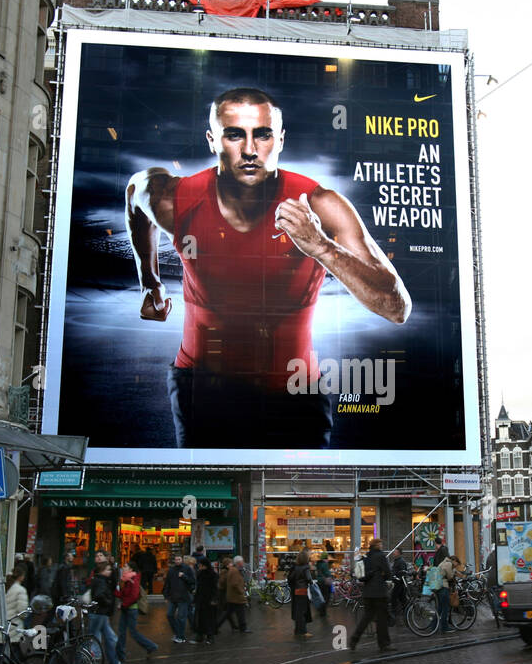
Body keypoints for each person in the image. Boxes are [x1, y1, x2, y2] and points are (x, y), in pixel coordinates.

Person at [127, 87, 412, 448]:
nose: (249, 150)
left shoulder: (320, 205)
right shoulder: (175, 200)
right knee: (212, 502)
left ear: (280, 139)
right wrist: (149, 283)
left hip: (295, 396)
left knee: (301, 505)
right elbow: (135, 190)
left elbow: (396, 307)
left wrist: (320, 246)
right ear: (212, 139)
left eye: (262, 134)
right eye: (235, 134)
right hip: (202, 390)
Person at [349, 539, 394, 653]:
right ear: (378, 545)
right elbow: (388, 573)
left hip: (367, 592)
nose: (382, 545)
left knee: (366, 617)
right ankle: (384, 644)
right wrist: (383, 576)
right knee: (381, 619)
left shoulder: (367, 557)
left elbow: (364, 574)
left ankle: (354, 639)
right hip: (379, 592)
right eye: (381, 543)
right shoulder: (380, 556)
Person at [115, 560, 157, 660]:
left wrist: (124, 604)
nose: (123, 568)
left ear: (131, 569)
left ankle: (151, 646)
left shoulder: (133, 579)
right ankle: (120, 654)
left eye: (125, 566)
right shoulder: (126, 579)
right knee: (122, 631)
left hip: (131, 609)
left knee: (132, 632)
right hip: (127, 608)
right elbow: (124, 594)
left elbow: (134, 596)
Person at [86, 554, 122, 664]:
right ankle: (89, 656)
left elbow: (114, 580)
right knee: (96, 636)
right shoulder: (101, 581)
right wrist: (108, 602)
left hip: (101, 613)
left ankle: (113, 660)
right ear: (102, 570)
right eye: (108, 570)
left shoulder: (102, 579)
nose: (110, 571)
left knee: (108, 636)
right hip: (100, 612)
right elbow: (99, 595)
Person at [162, 555, 195, 644]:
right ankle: (177, 633)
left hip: (183, 597)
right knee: (169, 615)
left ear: (182, 560)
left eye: (179, 559)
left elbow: (192, 581)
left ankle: (181, 636)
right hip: (173, 597)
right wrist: (166, 595)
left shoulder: (187, 569)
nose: (177, 561)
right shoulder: (171, 570)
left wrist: (184, 576)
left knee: (181, 617)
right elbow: (167, 583)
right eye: (176, 559)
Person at [215, 556, 251, 633]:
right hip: (236, 596)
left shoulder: (233, 570)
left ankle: (216, 626)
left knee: (228, 613)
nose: (243, 563)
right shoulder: (234, 571)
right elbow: (235, 584)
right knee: (240, 612)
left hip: (232, 596)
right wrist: (241, 592)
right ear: (239, 563)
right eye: (242, 562)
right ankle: (243, 628)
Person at [288, 546, 315, 637]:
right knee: (302, 611)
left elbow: (290, 578)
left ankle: (297, 629)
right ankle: (303, 631)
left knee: (297, 611)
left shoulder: (295, 567)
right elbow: (309, 579)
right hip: (302, 591)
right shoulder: (305, 568)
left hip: (295, 591)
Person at [193, 556, 220, 644]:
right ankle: (200, 635)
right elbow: (199, 587)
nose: (199, 567)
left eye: (200, 565)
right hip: (201, 600)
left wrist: (214, 599)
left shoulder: (212, 575)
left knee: (209, 618)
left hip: (209, 600)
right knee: (200, 618)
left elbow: (215, 588)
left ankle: (210, 636)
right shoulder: (200, 574)